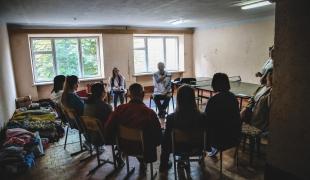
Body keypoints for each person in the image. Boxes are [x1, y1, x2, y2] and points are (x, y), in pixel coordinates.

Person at [104, 83, 162, 171]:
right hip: (143, 149)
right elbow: (158, 138)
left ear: (129, 95)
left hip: (122, 145)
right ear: (143, 94)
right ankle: (145, 161)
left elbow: (108, 127)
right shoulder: (149, 113)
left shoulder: (119, 109)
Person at [159, 85, 206, 174]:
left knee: (165, 135)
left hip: (177, 148)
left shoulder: (171, 118)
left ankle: (163, 164)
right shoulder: (202, 117)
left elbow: (166, 141)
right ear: (193, 98)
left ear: (178, 99)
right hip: (197, 147)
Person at [204, 73, 241, 157]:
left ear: (214, 84)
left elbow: (206, 119)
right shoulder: (233, 97)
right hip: (234, 137)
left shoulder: (213, 100)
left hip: (218, 139)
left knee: (202, 126)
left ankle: (204, 150)